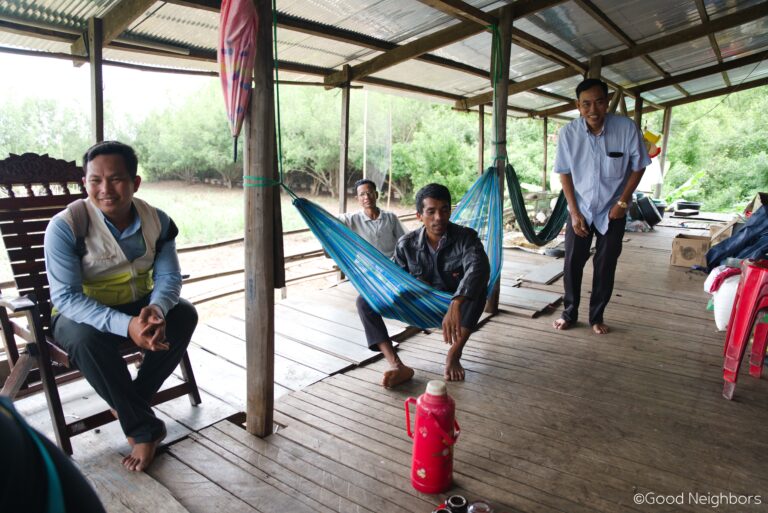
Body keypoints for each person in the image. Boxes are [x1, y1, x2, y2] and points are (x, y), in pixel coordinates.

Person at [44, 141, 197, 472]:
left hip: (138, 306)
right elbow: (67, 297)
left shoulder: (158, 221)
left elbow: (169, 278)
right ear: (85, 183)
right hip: (79, 315)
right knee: (86, 340)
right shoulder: (67, 225)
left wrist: (156, 310)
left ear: (135, 182)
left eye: (115, 179)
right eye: (94, 180)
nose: (105, 189)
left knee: (184, 313)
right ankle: (144, 429)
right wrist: (126, 326)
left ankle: (129, 405)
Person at [356, 183, 490, 386]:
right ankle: (396, 365)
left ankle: (454, 354)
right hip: (423, 304)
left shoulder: (466, 238)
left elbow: (479, 268)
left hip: (456, 305)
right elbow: (393, 280)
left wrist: (455, 303)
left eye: (444, 210)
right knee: (364, 301)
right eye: (431, 211)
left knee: (478, 289)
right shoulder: (406, 244)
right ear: (419, 215)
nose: (439, 217)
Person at [552, 78, 651, 334]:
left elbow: (639, 165)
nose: (593, 110)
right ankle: (569, 313)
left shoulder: (626, 128)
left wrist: (623, 202)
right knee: (572, 264)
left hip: (613, 210)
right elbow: (564, 173)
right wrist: (574, 213)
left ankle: (597, 317)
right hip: (581, 209)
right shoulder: (568, 134)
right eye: (586, 104)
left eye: (598, 102)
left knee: (605, 264)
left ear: (607, 102)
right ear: (578, 106)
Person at [339, 178, 406, 257]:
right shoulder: (351, 219)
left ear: (376, 195)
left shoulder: (390, 217)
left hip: (389, 265)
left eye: (369, 192)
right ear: (357, 199)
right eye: (362, 194)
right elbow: (331, 220)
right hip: (365, 265)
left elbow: (404, 239)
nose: (366, 197)